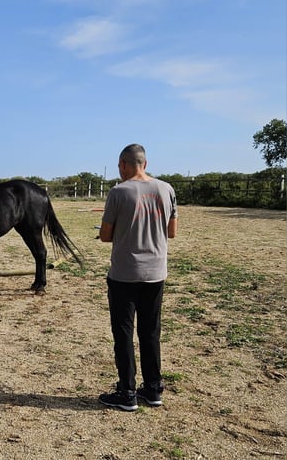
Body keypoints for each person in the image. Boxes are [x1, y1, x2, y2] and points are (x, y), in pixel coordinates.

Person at [98, 144, 178, 411]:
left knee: (123, 332)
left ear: (123, 164)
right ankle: (153, 389)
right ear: (145, 162)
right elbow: (172, 231)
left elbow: (106, 235)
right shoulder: (166, 189)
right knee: (150, 331)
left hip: (125, 274)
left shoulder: (118, 192)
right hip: (156, 273)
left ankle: (127, 391)